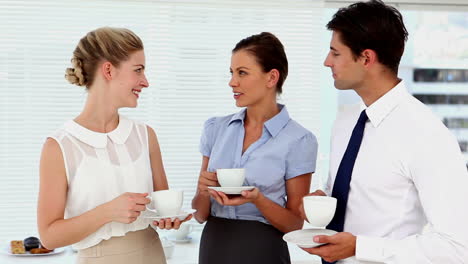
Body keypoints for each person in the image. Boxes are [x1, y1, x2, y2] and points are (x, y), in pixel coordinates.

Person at [301, 1, 468, 263]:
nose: (326, 62)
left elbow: (458, 246)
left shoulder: (426, 134)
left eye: (335, 53)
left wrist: (360, 248)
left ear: (366, 58)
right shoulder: (345, 121)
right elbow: (349, 189)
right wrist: (323, 198)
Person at [37, 27, 190, 264]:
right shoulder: (59, 146)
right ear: (108, 70)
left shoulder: (145, 135)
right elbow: (49, 236)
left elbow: (161, 210)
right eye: (138, 70)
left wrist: (170, 218)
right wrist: (107, 212)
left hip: (153, 254)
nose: (145, 82)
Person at [191, 32, 318, 264]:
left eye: (242, 73)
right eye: (232, 73)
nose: (232, 82)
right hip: (213, 246)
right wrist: (202, 190)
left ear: (271, 78)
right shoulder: (215, 129)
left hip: (263, 250)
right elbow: (200, 215)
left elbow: (294, 224)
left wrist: (257, 199)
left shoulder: (299, 140)